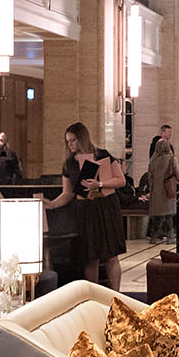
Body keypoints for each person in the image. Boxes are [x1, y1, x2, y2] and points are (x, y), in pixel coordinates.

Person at [44, 122, 126, 287]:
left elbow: (121, 180)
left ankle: (115, 296)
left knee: (111, 256)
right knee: (90, 257)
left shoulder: (102, 155)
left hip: (105, 208)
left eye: (73, 140)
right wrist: (52, 204)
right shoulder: (69, 164)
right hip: (85, 211)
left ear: (82, 139)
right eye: (68, 141)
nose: (70, 144)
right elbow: (68, 193)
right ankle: (93, 298)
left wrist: (100, 185)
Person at [145, 137, 179, 243]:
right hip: (167, 189)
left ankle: (154, 236)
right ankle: (170, 236)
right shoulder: (171, 158)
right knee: (169, 214)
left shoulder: (153, 159)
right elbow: (178, 173)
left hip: (156, 191)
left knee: (157, 215)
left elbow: (149, 175)